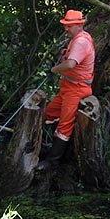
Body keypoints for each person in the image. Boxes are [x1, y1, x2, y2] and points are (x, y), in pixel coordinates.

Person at [36, 9, 95, 171]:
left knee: (65, 126)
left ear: (79, 25)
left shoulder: (81, 41)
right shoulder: (77, 38)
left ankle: (53, 161)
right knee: (49, 113)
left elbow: (70, 64)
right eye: (65, 25)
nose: (66, 29)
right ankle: (50, 148)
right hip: (68, 88)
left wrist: (54, 69)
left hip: (77, 90)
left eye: (69, 26)